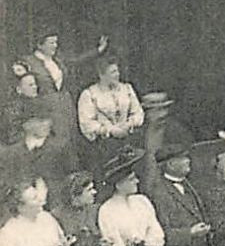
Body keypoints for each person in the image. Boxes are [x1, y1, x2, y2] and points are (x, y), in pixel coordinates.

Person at [24, 31, 101, 164]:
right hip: (45, 108)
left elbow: (77, 60)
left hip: (64, 107)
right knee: (52, 144)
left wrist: (98, 50)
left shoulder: (57, 59)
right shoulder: (29, 62)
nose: (55, 46)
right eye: (51, 43)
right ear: (40, 44)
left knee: (69, 143)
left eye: (56, 42)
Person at [77, 56, 144, 163]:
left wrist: (129, 124)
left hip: (129, 140)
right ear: (101, 75)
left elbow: (138, 112)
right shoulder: (90, 94)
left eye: (117, 71)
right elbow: (86, 123)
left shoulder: (127, 88)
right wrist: (110, 130)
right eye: (113, 72)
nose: (117, 74)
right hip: (105, 146)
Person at [0, 107, 70, 207]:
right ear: (26, 124)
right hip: (21, 208)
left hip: (54, 207)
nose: (46, 123)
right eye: (40, 120)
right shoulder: (11, 154)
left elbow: (69, 180)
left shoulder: (59, 149)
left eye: (47, 120)